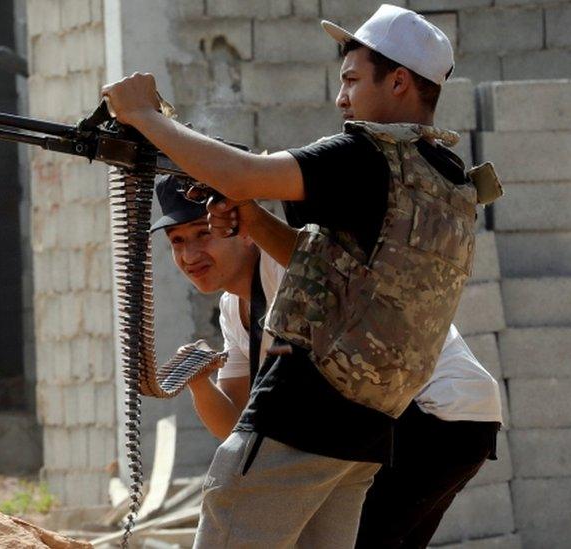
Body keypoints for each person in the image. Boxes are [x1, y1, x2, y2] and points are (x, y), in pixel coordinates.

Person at [103, 4, 502, 547]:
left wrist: (145, 118)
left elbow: (244, 174)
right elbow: (329, 269)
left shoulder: (364, 154)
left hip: (310, 406)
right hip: (367, 424)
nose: (342, 98)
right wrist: (249, 215)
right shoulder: (444, 175)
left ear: (401, 81)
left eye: (352, 80)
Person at [152, 174, 502, 547]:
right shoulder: (231, 308)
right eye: (177, 242)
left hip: (430, 413)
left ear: (242, 227)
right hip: (418, 420)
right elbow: (238, 427)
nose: (189, 256)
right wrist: (198, 382)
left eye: (202, 234)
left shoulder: (287, 266)